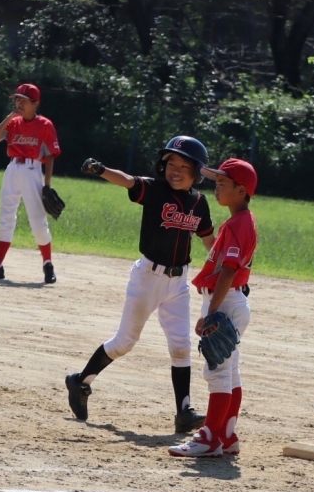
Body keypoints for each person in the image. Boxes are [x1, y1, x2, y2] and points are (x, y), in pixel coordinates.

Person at [66, 136, 216, 433]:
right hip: (148, 277)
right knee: (125, 342)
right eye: (171, 163)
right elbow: (128, 180)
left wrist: (228, 270)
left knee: (181, 346)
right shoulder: (156, 190)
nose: (175, 170)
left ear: (197, 172)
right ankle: (80, 382)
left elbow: (209, 240)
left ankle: (184, 411)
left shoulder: (199, 202)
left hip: (179, 282)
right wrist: (101, 169)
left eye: (183, 166)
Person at [168, 158, 258, 457]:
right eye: (216, 183)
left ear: (241, 190)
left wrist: (210, 313)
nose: (216, 189)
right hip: (231, 301)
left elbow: (229, 271)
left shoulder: (238, 224)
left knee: (217, 371)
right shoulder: (242, 221)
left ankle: (209, 439)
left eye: (222, 184)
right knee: (230, 372)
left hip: (224, 302)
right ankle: (226, 436)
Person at [0, 83, 61, 284]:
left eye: (24, 100)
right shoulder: (13, 123)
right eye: (17, 99)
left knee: (38, 221)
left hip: (32, 170)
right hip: (12, 169)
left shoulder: (45, 125)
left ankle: (48, 264)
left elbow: (50, 155)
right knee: (6, 216)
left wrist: (47, 184)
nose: (19, 103)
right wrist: (9, 117)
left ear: (35, 103)